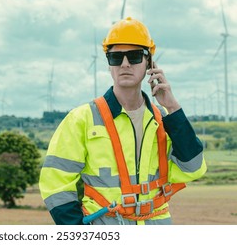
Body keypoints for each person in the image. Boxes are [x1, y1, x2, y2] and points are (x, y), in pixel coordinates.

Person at [39, 17, 207, 225]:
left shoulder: (166, 120)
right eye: (116, 57)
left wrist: (172, 107)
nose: (125, 64)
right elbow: (55, 184)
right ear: (109, 64)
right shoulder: (81, 119)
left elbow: (193, 168)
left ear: (150, 62)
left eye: (135, 56)